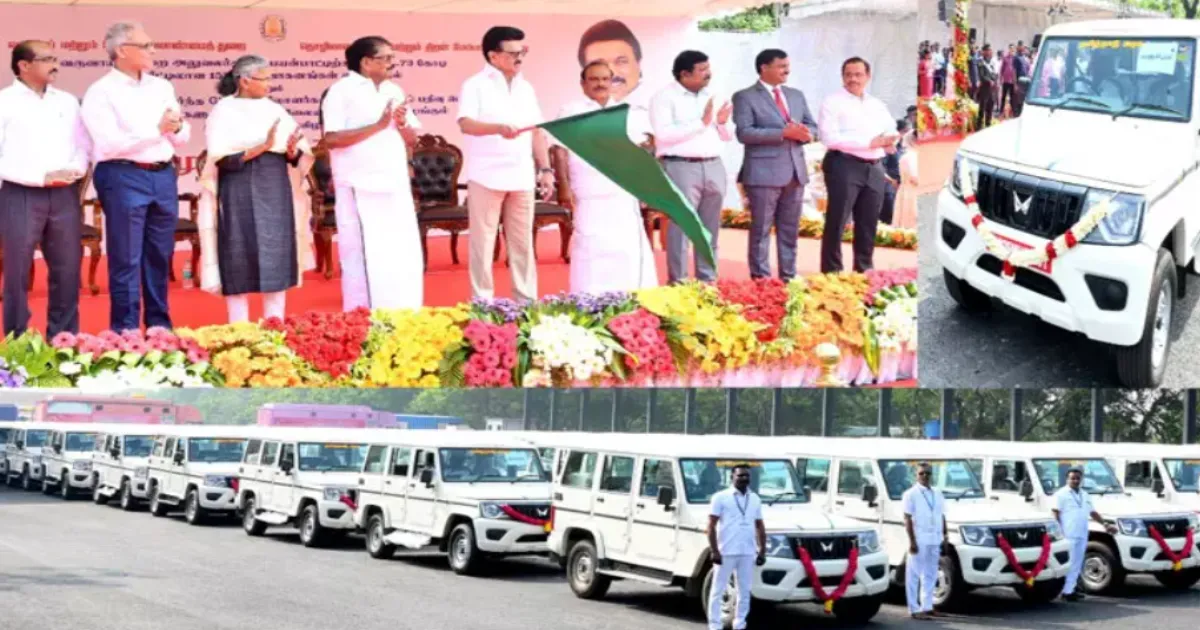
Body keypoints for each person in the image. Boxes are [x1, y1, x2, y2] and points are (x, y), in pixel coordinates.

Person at [81, 21, 188, 332]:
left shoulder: (161, 86)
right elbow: (110, 144)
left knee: (159, 255)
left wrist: (176, 128)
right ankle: (125, 332)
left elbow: (180, 134)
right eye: (146, 45)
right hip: (123, 176)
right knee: (126, 258)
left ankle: (159, 328)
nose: (153, 50)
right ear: (122, 51)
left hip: (163, 175)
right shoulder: (101, 92)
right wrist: (158, 130)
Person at [197, 55, 315, 323]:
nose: (269, 85)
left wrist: (291, 151)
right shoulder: (224, 110)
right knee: (238, 251)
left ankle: (275, 325)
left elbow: (299, 156)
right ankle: (239, 327)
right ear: (245, 80)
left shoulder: (274, 109)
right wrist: (259, 148)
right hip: (239, 186)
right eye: (265, 79)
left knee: (277, 253)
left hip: (275, 186)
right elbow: (221, 159)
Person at [321, 36, 424, 310]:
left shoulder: (394, 90)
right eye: (386, 58)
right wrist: (378, 126)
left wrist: (401, 124)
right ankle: (363, 318)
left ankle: (403, 312)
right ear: (366, 62)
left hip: (394, 183)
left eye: (393, 57)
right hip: (359, 185)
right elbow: (331, 139)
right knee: (363, 256)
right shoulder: (341, 91)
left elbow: (412, 139)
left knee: (400, 252)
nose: (393, 63)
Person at [0, 40, 90, 339]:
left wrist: (74, 170)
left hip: (64, 194)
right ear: (24, 65)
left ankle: (64, 339)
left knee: (67, 270)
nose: (56, 64)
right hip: (20, 194)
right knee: (17, 272)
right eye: (47, 58)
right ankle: (17, 342)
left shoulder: (67, 101)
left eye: (55, 57)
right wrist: (40, 176)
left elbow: (82, 145)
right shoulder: (5, 102)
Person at [457, 26, 554, 302]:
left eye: (523, 51)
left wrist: (545, 169)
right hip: (486, 175)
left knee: (523, 244)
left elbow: (536, 130)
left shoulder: (526, 87)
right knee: (483, 244)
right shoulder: (475, 85)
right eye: (514, 52)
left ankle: (526, 302)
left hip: (521, 176)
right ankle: (482, 303)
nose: (520, 57)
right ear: (494, 55)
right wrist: (497, 128)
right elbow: (466, 124)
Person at [556, 61, 657, 294]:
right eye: (593, 79)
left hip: (623, 192)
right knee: (590, 246)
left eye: (604, 79)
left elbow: (646, 150)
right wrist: (563, 187)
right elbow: (558, 151)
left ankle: (633, 298)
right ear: (583, 84)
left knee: (627, 246)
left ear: (612, 83)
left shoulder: (630, 113)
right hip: (588, 192)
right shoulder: (570, 111)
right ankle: (588, 299)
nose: (600, 84)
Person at [732, 49, 817, 282]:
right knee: (761, 230)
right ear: (763, 68)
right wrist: (783, 132)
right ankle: (761, 280)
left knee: (790, 231)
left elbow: (813, 125)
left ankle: (789, 277)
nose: (786, 70)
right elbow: (745, 132)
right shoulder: (745, 96)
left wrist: (807, 133)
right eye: (781, 66)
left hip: (795, 172)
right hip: (762, 174)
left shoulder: (796, 95)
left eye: (787, 65)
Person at [650, 50, 732, 284]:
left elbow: (726, 136)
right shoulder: (664, 98)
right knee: (681, 227)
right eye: (703, 70)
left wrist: (723, 124)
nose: (709, 74)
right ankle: (679, 283)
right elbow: (663, 135)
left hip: (714, 165)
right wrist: (701, 123)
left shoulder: (714, 95)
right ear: (684, 74)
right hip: (681, 167)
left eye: (708, 68)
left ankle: (708, 281)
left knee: (710, 228)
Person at [817, 57, 898, 273]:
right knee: (838, 219)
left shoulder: (876, 104)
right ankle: (831, 271)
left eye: (858, 74)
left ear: (868, 76)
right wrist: (869, 143)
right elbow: (829, 137)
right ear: (842, 77)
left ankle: (864, 269)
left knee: (869, 221)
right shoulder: (832, 102)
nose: (853, 79)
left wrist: (890, 140)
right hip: (844, 165)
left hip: (874, 166)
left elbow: (891, 128)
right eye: (848, 75)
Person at [706, 464, 766, 630]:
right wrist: (714, 550)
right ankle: (715, 625)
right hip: (726, 551)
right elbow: (711, 525)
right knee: (718, 590)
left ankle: (739, 624)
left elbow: (760, 525)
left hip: (747, 552)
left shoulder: (755, 498)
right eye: (740, 476)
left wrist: (762, 550)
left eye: (747, 476)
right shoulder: (720, 497)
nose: (744, 478)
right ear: (732, 477)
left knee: (744, 591)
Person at [1053, 468, 1117, 601]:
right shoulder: (1061, 494)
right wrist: (1059, 532)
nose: (1075, 480)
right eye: (1073, 478)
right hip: (1068, 534)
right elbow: (1055, 514)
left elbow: (1093, 513)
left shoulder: (1085, 494)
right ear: (1067, 479)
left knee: (1077, 563)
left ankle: (1070, 590)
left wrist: (1105, 524)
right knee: (1068, 564)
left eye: (1078, 478)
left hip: (1082, 533)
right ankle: (1065, 591)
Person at [902, 462, 947, 620]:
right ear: (916, 475)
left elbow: (942, 515)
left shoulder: (937, 493)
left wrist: (945, 536)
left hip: (935, 538)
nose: (925, 476)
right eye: (922, 473)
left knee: (931, 573)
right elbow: (907, 519)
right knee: (913, 574)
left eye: (928, 473)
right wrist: (912, 542)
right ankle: (914, 609)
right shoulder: (910, 494)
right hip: (919, 538)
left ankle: (927, 606)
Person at [976, 44, 998, 129]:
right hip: (984, 89)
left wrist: (995, 78)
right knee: (982, 108)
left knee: (990, 107)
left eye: (990, 50)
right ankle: (979, 126)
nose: (989, 52)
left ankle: (988, 124)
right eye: (988, 50)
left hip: (991, 90)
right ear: (984, 52)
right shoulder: (981, 62)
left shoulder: (991, 62)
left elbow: (993, 74)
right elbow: (982, 75)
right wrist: (989, 81)